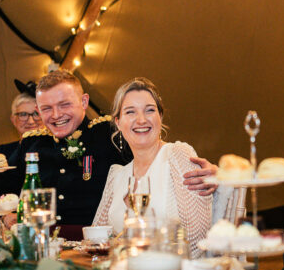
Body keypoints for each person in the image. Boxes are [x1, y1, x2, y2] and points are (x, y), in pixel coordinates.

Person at [11, 69, 217, 235]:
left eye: (64, 104)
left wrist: (219, 175)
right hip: (70, 249)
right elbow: (4, 194)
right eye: (47, 108)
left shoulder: (107, 134)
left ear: (84, 102)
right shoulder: (32, 145)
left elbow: (155, 153)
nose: (56, 115)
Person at [92, 78, 221, 257]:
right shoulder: (117, 175)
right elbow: (95, 238)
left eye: (150, 110)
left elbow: (196, 238)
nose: (141, 119)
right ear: (118, 122)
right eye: (130, 112)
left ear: (160, 117)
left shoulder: (177, 155)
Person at [0, 82, 42, 194]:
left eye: (36, 114)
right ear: (13, 120)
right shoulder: (3, 152)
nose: (31, 121)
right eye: (23, 114)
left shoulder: (52, 150)